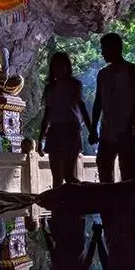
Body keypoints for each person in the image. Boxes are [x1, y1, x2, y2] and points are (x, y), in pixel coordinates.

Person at [89, 33, 135, 183]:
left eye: (104, 49)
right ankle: (109, 198)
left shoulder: (133, 71)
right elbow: (98, 102)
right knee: (104, 169)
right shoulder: (102, 74)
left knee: (127, 173)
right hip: (107, 130)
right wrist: (93, 128)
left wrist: (130, 125)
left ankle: (127, 198)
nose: (102, 53)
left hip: (127, 130)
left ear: (115, 48)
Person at [37, 52, 94, 184]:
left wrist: (91, 130)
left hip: (70, 129)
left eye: (60, 65)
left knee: (68, 176)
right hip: (55, 130)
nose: (57, 69)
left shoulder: (75, 85)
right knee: (57, 177)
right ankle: (63, 198)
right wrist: (40, 139)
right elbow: (47, 114)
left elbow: (82, 108)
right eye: (55, 66)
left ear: (67, 67)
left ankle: (83, 194)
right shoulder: (50, 88)